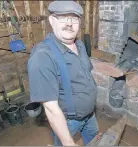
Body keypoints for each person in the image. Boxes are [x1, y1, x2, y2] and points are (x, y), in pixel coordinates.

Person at [27, 1, 98, 146]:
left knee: (95, 140)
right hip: (68, 122)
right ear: (52, 21)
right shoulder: (43, 56)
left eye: (74, 18)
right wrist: (69, 143)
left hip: (90, 115)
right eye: (63, 18)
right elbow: (51, 109)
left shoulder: (80, 44)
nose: (69, 23)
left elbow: (85, 75)